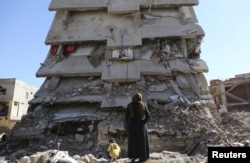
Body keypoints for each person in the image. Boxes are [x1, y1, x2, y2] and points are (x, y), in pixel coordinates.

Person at [125, 93, 151, 163]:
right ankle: (142, 157)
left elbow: (127, 117)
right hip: (141, 127)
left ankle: (133, 158)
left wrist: (129, 124)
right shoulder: (142, 105)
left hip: (133, 127)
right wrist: (143, 122)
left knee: (133, 142)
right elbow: (148, 116)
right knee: (141, 142)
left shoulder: (130, 105)